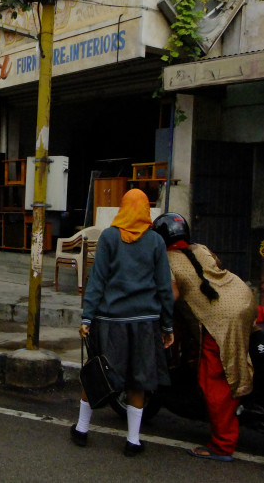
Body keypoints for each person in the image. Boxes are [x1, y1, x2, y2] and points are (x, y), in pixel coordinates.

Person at [70, 189, 175, 457]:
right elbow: (164, 287)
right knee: (137, 380)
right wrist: (167, 326)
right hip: (144, 323)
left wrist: (87, 317)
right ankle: (133, 441)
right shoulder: (155, 242)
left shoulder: (109, 237)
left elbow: (97, 280)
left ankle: (82, 429)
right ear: (145, 211)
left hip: (110, 321)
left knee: (100, 373)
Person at [152, 212, 258, 463]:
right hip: (242, 297)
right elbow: (215, 269)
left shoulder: (166, 261)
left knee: (213, 380)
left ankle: (222, 445)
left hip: (221, 319)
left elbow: (171, 297)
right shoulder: (201, 248)